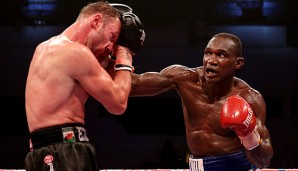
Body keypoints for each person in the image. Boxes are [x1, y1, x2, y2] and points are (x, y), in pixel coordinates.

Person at [24, 1, 145, 171]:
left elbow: (105, 71)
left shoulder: (45, 47)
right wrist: (125, 55)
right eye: (112, 37)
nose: (110, 47)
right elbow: (118, 104)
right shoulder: (76, 53)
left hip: (42, 153)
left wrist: (113, 61)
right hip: (65, 152)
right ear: (96, 21)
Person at [130, 32, 273, 171]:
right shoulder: (184, 79)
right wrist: (116, 58)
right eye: (208, 53)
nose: (211, 60)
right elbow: (133, 86)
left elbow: (263, 161)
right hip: (197, 166)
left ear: (238, 63)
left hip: (237, 166)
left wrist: (248, 135)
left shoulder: (250, 98)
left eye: (221, 55)